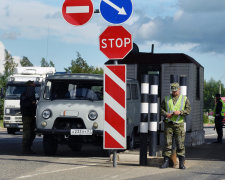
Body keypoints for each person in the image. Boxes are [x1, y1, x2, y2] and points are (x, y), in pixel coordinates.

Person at [160, 82, 191, 169]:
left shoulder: (184, 99)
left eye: (176, 91)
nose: (174, 93)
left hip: (179, 125)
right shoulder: (166, 98)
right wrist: (166, 114)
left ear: (179, 90)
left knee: (180, 144)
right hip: (168, 124)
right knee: (167, 143)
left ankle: (181, 163)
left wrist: (180, 112)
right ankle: (166, 161)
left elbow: (188, 110)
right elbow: (161, 108)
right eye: (173, 91)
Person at [20, 80, 36, 154]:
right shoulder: (28, 92)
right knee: (27, 132)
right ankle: (25, 148)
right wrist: (32, 103)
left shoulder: (27, 93)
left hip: (30, 115)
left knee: (31, 132)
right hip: (27, 115)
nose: (34, 86)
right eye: (33, 85)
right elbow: (28, 104)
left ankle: (27, 148)